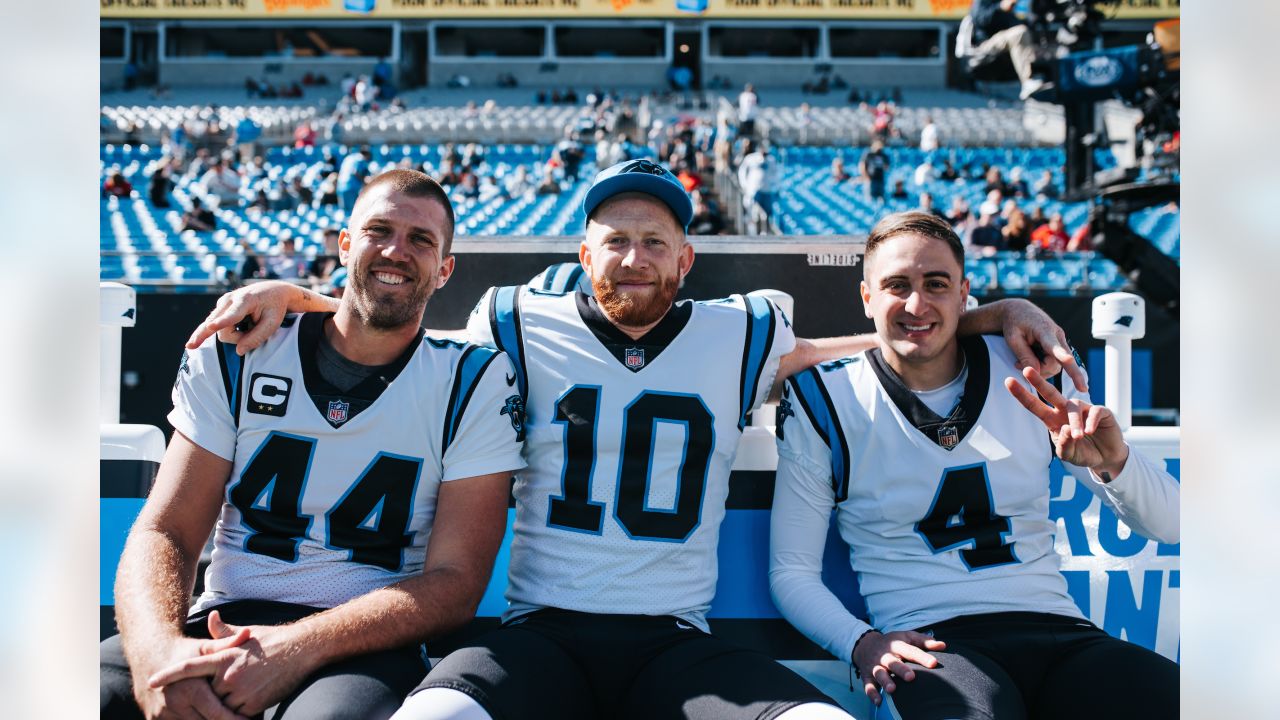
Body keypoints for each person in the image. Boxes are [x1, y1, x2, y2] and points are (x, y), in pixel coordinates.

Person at [187, 162, 1083, 720]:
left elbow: (870, 339)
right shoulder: (518, 321)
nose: (633, 258)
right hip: (538, 632)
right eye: (615, 240)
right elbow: (397, 315)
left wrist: (987, 313)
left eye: (654, 241)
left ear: (685, 260)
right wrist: (297, 297)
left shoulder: (738, 333)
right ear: (584, 253)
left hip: (673, 640)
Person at [101, 170, 526, 720]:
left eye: (421, 239)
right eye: (379, 230)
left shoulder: (473, 381)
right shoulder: (241, 348)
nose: (397, 251)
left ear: (445, 270)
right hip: (223, 617)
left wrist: (295, 647)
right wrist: (158, 652)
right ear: (344, 244)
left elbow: (455, 584)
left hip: (363, 646)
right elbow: (166, 528)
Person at [769, 210, 1179, 719]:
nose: (916, 303)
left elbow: (1171, 523)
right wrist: (862, 643)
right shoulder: (827, 396)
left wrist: (1114, 464)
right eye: (897, 285)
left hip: (1059, 632)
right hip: (935, 646)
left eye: (935, 284)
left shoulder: (1030, 368)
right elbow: (791, 572)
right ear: (866, 297)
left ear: (964, 294)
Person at [969, 0, 1049, 100]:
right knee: (1019, 33)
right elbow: (979, 18)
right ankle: (1027, 82)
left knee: (1030, 35)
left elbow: (1017, 24)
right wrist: (1000, 7)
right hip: (985, 44)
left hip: (1008, 40)